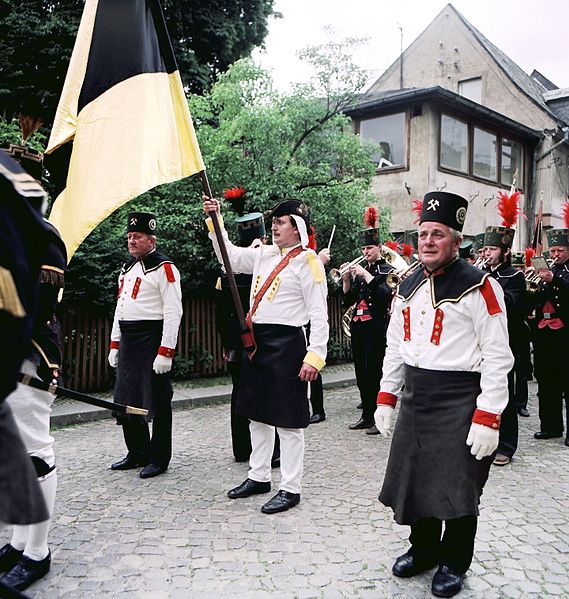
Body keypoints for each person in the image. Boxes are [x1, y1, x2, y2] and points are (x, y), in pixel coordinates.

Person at [374, 191, 513, 598]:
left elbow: (498, 356)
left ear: (456, 240)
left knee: (458, 485)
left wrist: (489, 416)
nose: (428, 242)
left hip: (460, 399)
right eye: (423, 234)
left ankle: (454, 560)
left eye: (438, 234)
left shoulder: (481, 287)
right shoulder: (408, 284)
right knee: (416, 480)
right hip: (418, 395)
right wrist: (387, 395)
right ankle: (423, 550)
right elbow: (395, 345)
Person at [203, 196, 328, 514]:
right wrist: (215, 221)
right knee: (256, 414)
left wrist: (315, 355)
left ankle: (291, 487)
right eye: (273, 221)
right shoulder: (263, 255)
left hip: (288, 344)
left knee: (288, 422)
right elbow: (228, 256)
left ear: (297, 228)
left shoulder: (308, 261)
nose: (274, 225)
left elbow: (319, 313)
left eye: (281, 222)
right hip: (258, 343)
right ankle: (259, 476)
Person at [0, 143, 66, 593]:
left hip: (29, 357)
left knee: (35, 454)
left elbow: (30, 307)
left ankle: (38, 553)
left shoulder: (42, 235)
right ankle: (20, 539)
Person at [108, 212, 183, 478]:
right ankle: (137, 452)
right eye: (129, 237)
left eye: (137, 237)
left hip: (152, 338)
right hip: (129, 338)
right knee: (127, 397)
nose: (131, 241)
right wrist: (115, 343)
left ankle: (159, 457)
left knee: (158, 400)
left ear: (151, 240)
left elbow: (174, 312)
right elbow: (120, 307)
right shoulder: (127, 269)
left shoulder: (164, 268)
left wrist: (166, 351)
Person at [342, 207, 395, 433]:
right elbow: (350, 299)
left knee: (375, 371)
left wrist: (367, 276)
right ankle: (366, 415)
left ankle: (376, 417)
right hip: (359, 326)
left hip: (376, 326)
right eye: (363, 248)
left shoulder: (388, 270)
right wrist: (345, 281)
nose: (366, 252)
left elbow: (384, 296)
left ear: (379, 248)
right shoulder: (362, 271)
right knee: (361, 372)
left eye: (370, 248)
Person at [483, 201, 526, 466]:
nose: (486, 253)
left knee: (505, 395)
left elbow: (509, 307)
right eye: (485, 248)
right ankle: (487, 438)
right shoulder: (481, 273)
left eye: (492, 249)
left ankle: (507, 446)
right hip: (481, 344)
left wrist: (488, 283)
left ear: (505, 252)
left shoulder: (514, 277)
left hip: (506, 343)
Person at [532, 208, 569, 446]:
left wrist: (554, 280)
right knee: (546, 380)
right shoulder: (547, 269)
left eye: (560, 250)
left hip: (565, 330)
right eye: (552, 250)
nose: (555, 254)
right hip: (544, 332)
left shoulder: (561, 273)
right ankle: (551, 426)